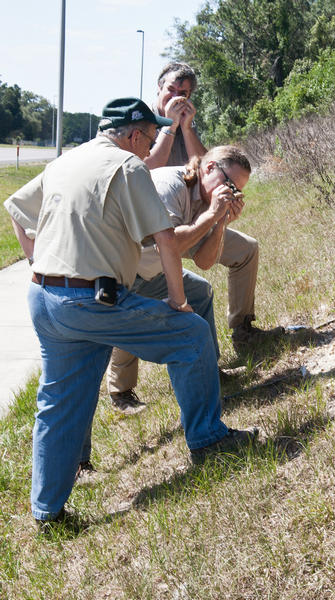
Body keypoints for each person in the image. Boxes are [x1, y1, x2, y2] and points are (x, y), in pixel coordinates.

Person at [4, 97, 256, 526]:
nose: (157, 143)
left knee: (59, 401)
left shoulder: (69, 159)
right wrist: (178, 303)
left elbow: (15, 207)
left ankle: (47, 513)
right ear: (134, 134)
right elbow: (164, 239)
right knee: (192, 334)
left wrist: (36, 261)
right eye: (153, 134)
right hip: (91, 301)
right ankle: (209, 439)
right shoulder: (129, 167)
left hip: (45, 298)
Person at [142, 61, 284, 356]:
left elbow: (205, 165)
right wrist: (168, 127)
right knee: (139, 284)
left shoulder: (185, 124)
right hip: (149, 228)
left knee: (246, 249)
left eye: (184, 92)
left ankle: (243, 330)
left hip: (192, 218)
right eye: (171, 90)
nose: (177, 97)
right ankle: (122, 388)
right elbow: (142, 173)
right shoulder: (141, 122)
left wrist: (187, 127)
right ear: (159, 87)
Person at [107, 146, 252, 413]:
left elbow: (204, 261)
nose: (230, 193)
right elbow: (168, 243)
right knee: (129, 323)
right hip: (122, 270)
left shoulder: (207, 197)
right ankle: (120, 392)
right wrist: (212, 215)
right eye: (229, 184)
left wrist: (222, 220)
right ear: (209, 168)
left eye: (237, 191)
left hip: (154, 268)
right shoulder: (169, 185)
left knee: (200, 291)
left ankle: (210, 370)